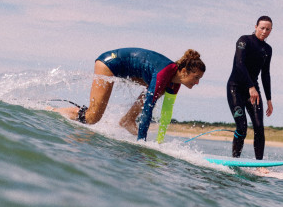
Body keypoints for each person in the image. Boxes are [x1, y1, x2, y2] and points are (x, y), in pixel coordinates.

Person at [55, 48, 205, 141]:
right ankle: (54, 111)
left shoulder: (174, 83)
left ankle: (128, 120)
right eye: (196, 77)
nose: (197, 83)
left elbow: (166, 113)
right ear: (184, 72)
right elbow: (148, 108)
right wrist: (142, 143)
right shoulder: (164, 73)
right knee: (92, 117)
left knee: (159, 91)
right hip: (109, 63)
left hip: (130, 71)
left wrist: (160, 143)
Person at [226, 16, 273, 159]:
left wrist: (269, 99)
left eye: (268, 29)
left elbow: (265, 74)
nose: (264, 31)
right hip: (236, 88)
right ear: (256, 26)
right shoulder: (244, 41)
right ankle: (235, 161)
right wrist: (251, 86)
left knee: (259, 127)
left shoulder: (267, 49)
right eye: (262, 28)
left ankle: (259, 164)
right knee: (242, 127)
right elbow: (239, 64)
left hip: (253, 91)